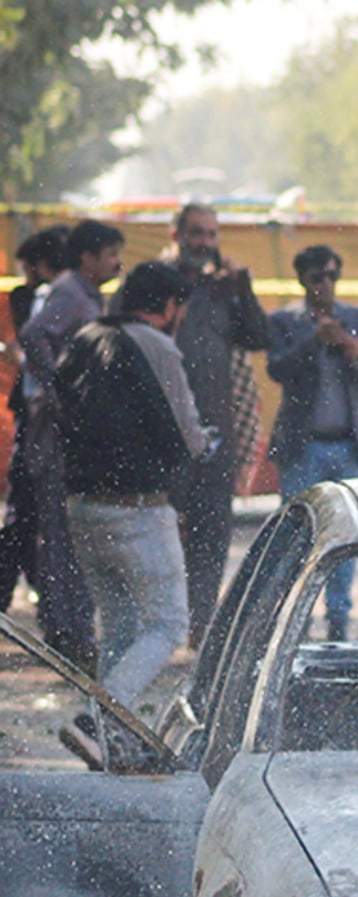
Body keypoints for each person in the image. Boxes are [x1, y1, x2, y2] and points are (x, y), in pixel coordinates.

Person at [50, 261, 210, 733]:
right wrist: (206, 442)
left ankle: (106, 736)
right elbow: (188, 434)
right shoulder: (156, 344)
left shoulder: (85, 336)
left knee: (119, 625)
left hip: (83, 506)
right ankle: (95, 719)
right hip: (136, 509)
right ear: (169, 305)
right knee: (168, 627)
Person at [265, 244, 358, 641]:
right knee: (298, 538)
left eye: (333, 276)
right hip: (302, 448)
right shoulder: (284, 321)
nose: (326, 285)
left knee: (345, 538)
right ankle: (295, 625)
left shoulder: (357, 318)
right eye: (319, 277)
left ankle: (339, 622)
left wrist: (352, 347)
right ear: (302, 278)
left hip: (348, 445)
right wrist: (312, 342)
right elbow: (276, 370)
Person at [159, 203, 270, 646]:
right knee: (163, 533)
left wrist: (244, 290)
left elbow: (259, 338)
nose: (204, 242)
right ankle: (165, 625)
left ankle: (200, 628)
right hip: (164, 435)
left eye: (210, 234)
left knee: (212, 533)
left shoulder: (225, 288)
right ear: (177, 234)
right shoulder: (157, 281)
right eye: (196, 233)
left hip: (216, 433)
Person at [15, 219, 124, 669]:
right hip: (56, 433)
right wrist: (61, 386)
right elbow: (33, 334)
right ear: (88, 258)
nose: (117, 262)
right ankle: (68, 634)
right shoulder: (70, 293)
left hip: (70, 430)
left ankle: (72, 628)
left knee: (72, 532)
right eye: (110, 254)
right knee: (62, 532)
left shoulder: (86, 294)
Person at [2, 225, 70, 613]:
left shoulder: (54, 298)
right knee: (27, 510)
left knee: (28, 509)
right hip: (40, 415)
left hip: (42, 416)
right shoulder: (49, 297)